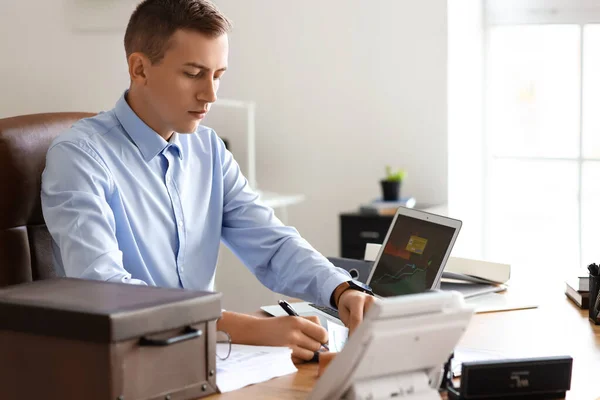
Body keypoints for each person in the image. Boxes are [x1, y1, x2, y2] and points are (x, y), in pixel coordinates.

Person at [41, 0, 374, 363]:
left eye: (217, 75)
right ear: (139, 69)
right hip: (124, 365)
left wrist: (341, 290)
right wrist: (246, 329)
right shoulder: (79, 156)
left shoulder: (208, 149)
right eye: (193, 73)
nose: (210, 95)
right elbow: (104, 289)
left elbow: (272, 244)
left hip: (205, 361)